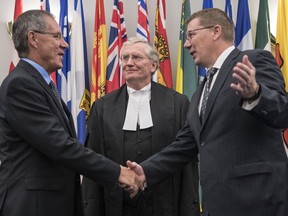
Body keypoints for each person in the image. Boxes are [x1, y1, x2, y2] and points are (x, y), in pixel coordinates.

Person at [126, 8, 288, 216]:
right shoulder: (200, 93)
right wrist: (145, 171)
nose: (186, 44)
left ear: (216, 31)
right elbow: (185, 144)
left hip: (259, 202)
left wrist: (255, 94)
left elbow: (282, 111)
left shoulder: (254, 60)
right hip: (217, 204)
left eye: (191, 35)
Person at [0, 10, 140, 216]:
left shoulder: (40, 84)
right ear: (34, 39)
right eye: (56, 36)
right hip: (33, 205)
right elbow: (60, 146)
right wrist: (118, 172)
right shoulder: (21, 84)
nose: (64, 44)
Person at [81, 37, 200, 216]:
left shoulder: (178, 103)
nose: (129, 63)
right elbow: (93, 158)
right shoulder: (102, 106)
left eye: (136, 57)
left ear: (153, 65)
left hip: (165, 201)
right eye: (124, 58)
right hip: (115, 203)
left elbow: (187, 162)